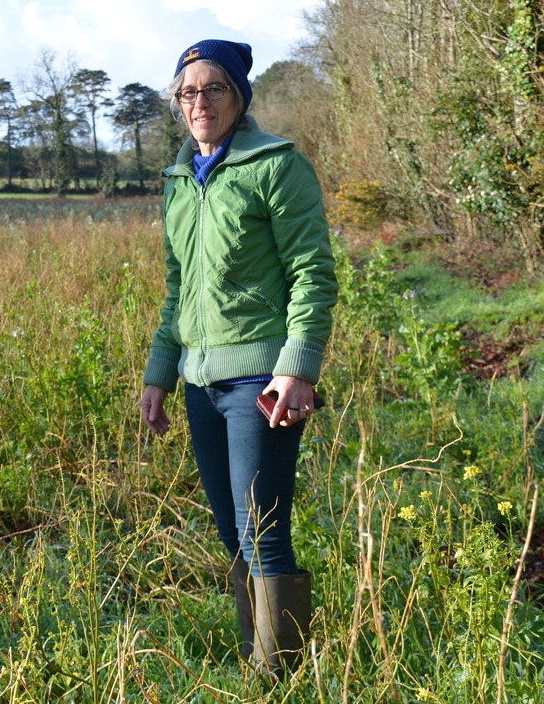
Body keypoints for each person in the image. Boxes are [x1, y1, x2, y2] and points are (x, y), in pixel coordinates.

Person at [139, 39, 337, 675]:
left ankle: (273, 675)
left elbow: (312, 273)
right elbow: (178, 288)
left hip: (262, 381)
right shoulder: (178, 179)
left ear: (239, 97)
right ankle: (262, 655)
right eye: (188, 92)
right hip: (200, 383)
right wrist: (159, 373)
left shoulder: (277, 166)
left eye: (214, 88)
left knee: (262, 532)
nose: (200, 102)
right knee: (232, 533)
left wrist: (298, 368)